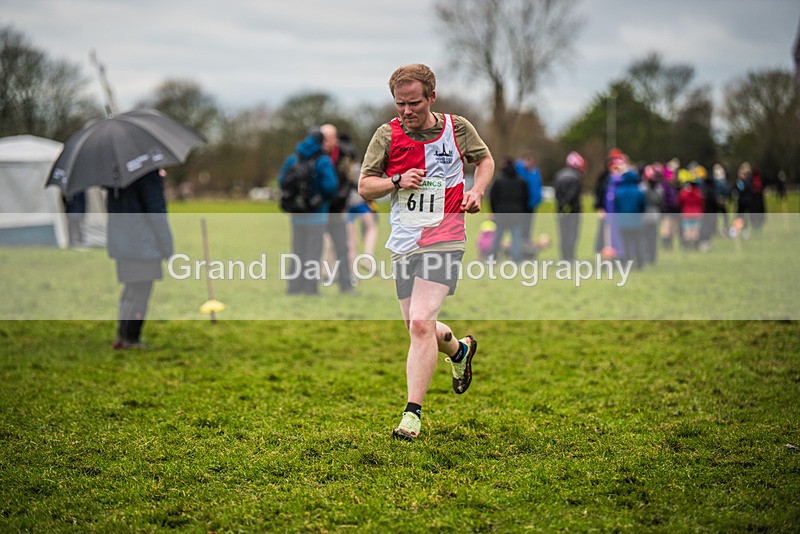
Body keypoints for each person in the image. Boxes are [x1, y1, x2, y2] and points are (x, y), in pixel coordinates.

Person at [358, 63, 494, 441]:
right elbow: (365, 187)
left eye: (414, 103)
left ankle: (412, 415)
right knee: (418, 328)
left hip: (446, 235)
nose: (407, 111)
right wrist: (395, 180)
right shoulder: (386, 136)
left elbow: (485, 161)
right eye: (400, 104)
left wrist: (477, 191)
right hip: (404, 241)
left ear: (431, 97)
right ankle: (460, 352)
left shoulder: (457, 129)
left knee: (421, 323)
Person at [106, 169, 173, 349]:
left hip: (122, 242)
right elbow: (156, 211)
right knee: (141, 291)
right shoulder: (147, 174)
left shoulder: (115, 175)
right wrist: (168, 248)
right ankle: (130, 338)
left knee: (131, 289)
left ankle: (123, 336)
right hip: (143, 244)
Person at [278, 128, 339, 295]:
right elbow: (331, 185)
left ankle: (293, 287)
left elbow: (281, 180)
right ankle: (310, 288)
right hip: (316, 215)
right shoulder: (322, 160)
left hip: (297, 215)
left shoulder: (293, 158)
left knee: (297, 250)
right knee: (313, 252)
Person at [322, 125, 356, 293]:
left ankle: (346, 286)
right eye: (324, 138)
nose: (327, 142)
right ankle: (309, 287)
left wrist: (339, 198)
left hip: (337, 209)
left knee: (342, 247)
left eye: (330, 138)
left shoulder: (343, 156)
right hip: (318, 210)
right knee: (313, 248)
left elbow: (349, 180)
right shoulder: (315, 156)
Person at [489, 157, 528, 262]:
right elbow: (525, 198)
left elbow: (492, 198)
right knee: (516, 239)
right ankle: (516, 259)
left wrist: (493, 211)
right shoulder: (521, 181)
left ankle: (493, 258)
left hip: (501, 214)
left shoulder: (498, 181)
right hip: (517, 214)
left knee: (497, 237)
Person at [554, 151, 585, 261]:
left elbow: (557, 194)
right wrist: (567, 205)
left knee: (563, 235)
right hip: (573, 211)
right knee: (572, 235)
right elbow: (573, 195)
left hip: (561, 211)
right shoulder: (575, 178)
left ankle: (564, 257)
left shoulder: (559, 175)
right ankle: (570, 256)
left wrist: (562, 206)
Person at [613, 169, 646, 268]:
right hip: (636, 221)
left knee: (626, 243)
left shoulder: (619, 192)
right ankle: (640, 262)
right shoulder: (638, 192)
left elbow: (616, 206)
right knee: (637, 242)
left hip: (623, 221)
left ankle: (627, 262)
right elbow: (642, 206)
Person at [514, 153, 542, 245]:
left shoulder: (535, 172)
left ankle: (526, 239)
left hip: (532, 203)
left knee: (529, 224)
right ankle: (519, 241)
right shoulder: (520, 171)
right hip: (522, 203)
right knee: (520, 224)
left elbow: (538, 186)